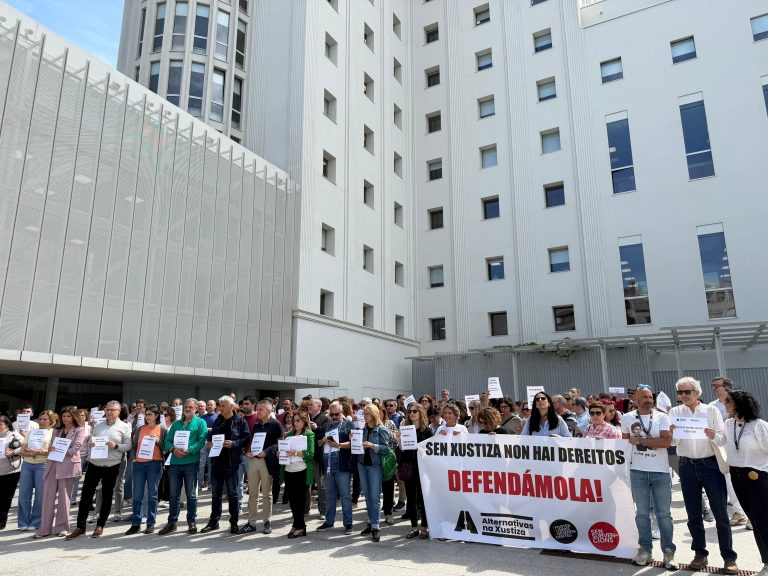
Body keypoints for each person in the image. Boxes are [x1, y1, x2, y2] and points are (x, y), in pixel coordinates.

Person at [667, 377, 737, 572]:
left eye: (686, 392)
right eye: (679, 393)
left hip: (710, 466)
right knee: (693, 514)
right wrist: (673, 434)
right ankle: (700, 554)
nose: (682, 396)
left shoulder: (711, 411)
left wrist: (713, 435)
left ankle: (729, 557)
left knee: (721, 514)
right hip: (687, 466)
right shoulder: (674, 412)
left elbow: (723, 440)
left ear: (697, 393)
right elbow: (673, 444)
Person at [711, 389, 768, 576]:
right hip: (736, 475)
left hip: (757, 477)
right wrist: (712, 435)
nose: (724, 404)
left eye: (728, 401)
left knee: (763, 521)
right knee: (754, 521)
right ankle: (766, 561)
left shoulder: (759, 426)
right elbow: (724, 441)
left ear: (739, 404)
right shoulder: (729, 424)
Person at [621, 386, 676, 569]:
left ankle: (668, 552)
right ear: (635, 399)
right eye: (644, 397)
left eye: (650, 397)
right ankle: (645, 550)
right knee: (642, 514)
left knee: (664, 514)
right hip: (637, 470)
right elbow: (625, 442)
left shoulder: (662, 416)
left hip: (660, 471)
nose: (649, 399)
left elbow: (666, 442)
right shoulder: (627, 418)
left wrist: (642, 441)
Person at [67, 400, 131, 539]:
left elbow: (128, 446)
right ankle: (80, 527)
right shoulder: (98, 425)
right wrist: (91, 445)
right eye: (107, 410)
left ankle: (100, 525)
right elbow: (93, 441)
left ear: (118, 412)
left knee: (107, 496)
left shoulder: (124, 426)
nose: (108, 412)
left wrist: (115, 446)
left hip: (112, 465)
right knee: (85, 496)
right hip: (94, 463)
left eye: (112, 410)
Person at [201, 396, 250, 535]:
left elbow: (246, 437)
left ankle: (234, 522)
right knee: (215, 494)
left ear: (231, 406)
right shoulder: (217, 420)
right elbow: (212, 437)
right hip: (217, 462)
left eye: (222, 405)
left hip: (232, 463)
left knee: (233, 494)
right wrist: (210, 443)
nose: (220, 408)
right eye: (219, 405)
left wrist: (234, 444)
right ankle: (214, 521)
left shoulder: (240, 421)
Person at [159, 398, 208, 535]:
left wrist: (189, 450)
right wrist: (172, 450)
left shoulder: (200, 423)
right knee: (173, 495)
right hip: (175, 463)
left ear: (196, 408)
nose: (187, 408)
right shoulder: (176, 424)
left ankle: (191, 522)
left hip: (191, 462)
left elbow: (201, 441)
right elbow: (167, 441)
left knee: (191, 494)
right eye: (186, 406)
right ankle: (172, 523)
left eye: (190, 407)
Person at [37, 407, 85, 538]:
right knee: (47, 498)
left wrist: (60, 450)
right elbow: (51, 447)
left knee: (64, 498)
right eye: (64, 416)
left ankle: (62, 528)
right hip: (53, 464)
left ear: (73, 417)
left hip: (68, 466)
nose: (65, 419)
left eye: (68, 416)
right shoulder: (57, 431)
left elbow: (75, 448)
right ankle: (44, 528)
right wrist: (52, 449)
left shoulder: (79, 430)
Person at [239, 399, 282, 536]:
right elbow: (254, 441)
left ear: (269, 410)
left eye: (261, 409)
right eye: (258, 408)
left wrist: (266, 452)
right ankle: (251, 522)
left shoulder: (276, 425)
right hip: (254, 461)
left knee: (266, 494)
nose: (258, 411)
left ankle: (266, 521)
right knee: (252, 493)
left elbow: (280, 444)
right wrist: (248, 452)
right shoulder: (257, 424)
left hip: (267, 461)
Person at [710, 377, 748, 527]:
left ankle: (750, 513)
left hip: (744, 447)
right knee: (730, 480)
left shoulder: (738, 401)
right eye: (712, 386)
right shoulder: (711, 406)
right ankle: (739, 512)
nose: (713, 388)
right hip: (723, 448)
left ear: (726, 387)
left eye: (716, 386)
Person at [125, 404, 166, 535]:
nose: (147, 417)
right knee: (137, 495)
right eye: (146, 414)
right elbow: (134, 445)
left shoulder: (163, 429)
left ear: (156, 416)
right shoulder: (140, 429)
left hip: (155, 463)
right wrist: (134, 459)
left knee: (152, 495)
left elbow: (166, 447)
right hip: (139, 464)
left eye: (150, 414)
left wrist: (158, 442)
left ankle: (150, 523)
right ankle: (136, 523)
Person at [317, 401, 354, 534]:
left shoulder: (349, 424)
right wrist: (322, 441)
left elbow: (353, 443)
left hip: (342, 465)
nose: (334, 417)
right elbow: (319, 443)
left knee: (345, 495)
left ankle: (348, 523)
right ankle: (329, 521)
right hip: (328, 466)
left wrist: (338, 445)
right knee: (330, 495)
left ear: (342, 412)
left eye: (336, 414)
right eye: (332, 415)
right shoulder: (326, 426)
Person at [18, 409, 56, 531]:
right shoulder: (31, 432)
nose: (42, 421)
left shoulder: (54, 433)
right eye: (40, 419)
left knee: (40, 495)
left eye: (45, 419)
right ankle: (23, 522)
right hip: (27, 465)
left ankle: (36, 521)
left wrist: (41, 452)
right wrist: (32, 453)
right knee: (24, 494)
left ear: (52, 421)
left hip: (43, 465)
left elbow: (54, 450)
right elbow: (22, 450)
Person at [399, 404, 432, 539]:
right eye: (409, 411)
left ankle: (424, 527)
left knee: (423, 500)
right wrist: (399, 440)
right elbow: (402, 449)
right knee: (411, 499)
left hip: (423, 468)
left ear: (421, 413)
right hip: (409, 467)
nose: (411, 414)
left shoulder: (427, 431)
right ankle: (414, 528)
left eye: (414, 411)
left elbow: (431, 450)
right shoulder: (406, 429)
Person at [358, 403, 389, 542]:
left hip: (375, 466)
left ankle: (376, 526)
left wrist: (372, 445)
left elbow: (386, 448)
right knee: (368, 497)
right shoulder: (362, 429)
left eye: (367, 414)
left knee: (375, 497)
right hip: (362, 465)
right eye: (363, 413)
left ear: (373, 414)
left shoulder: (381, 429)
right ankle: (370, 522)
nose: (364, 416)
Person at [282, 411, 314, 538]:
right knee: (292, 500)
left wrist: (296, 453)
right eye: (294, 420)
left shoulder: (309, 434)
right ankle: (297, 525)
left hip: (302, 470)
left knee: (300, 500)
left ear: (305, 422)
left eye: (298, 421)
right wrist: (281, 453)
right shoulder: (289, 434)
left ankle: (301, 527)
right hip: (289, 470)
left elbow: (310, 453)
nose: (295, 423)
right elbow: (284, 450)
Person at [0, 415, 23, 530]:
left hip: (10, 471)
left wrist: (14, 452)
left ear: (7, 425)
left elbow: (23, 447)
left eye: (0, 423)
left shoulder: (15, 435)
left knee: (6, 497)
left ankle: (2, 521)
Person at [307, 398, 329, 517]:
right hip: (305, 455)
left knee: (321, 485)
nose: (309, 406)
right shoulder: (306, 418)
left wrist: (317, 429)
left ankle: (323, 511)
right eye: (308, 404)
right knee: (306, 484)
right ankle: (305, 510)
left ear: (319, 406)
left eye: (312, 404)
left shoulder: (325, 419)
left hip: (318, 457)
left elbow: (327, 435)